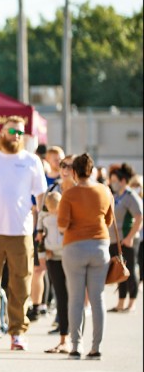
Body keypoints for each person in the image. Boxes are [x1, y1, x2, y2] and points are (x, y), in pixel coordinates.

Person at [0, 116, 47, 351]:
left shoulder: (31, 160)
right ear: (2, 132)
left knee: (21, 283)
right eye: (12, 131)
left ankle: (17, 332)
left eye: (20, 133)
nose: (16, 135)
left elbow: (41, 193)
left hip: (21, 231)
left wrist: (39, 221)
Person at [58, 153, 113, 360]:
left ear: (74, 171)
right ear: (92, 170)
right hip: (100, 246)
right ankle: (96, 346)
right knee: (98, 298)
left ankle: (75, 345)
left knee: (76, 298)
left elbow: (62, 225)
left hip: (74, 246)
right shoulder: (105, 191)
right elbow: (108, 220)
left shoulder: (69, 195)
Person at [108, 163, 142, 312]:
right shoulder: (115, 196)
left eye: (115, 180)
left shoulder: (130, 196)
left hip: (127, 240)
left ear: (122, 181)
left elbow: (139, 217)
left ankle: (131, 302)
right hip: (115, 240)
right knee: (119, 271)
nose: (112, 183)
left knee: (130, 270)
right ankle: (120, 302)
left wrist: (130, 237)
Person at [39, 191, 69, 354]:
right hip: (54, 258)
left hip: (64, 256)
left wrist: (46, 251)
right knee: (61, 296)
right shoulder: (45, 219)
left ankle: (68, 335)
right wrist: (44, 254)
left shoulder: (63, 218)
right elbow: (41, 240)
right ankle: (64, 334)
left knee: (67, 296)